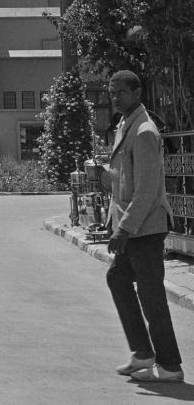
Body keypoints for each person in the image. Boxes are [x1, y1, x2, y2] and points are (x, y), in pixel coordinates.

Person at [98, 70, 183, 383]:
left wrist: (124, 230)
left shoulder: (145, 130)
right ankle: (143, 354)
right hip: (133, 227)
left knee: (151, 296)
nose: (115, 97)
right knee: (118, 279)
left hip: (145, 229)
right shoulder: (125, 125)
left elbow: (147, 190)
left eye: (121, 92)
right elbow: (126, 182)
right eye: (112, 92)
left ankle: (170, 366)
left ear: (137, 93)